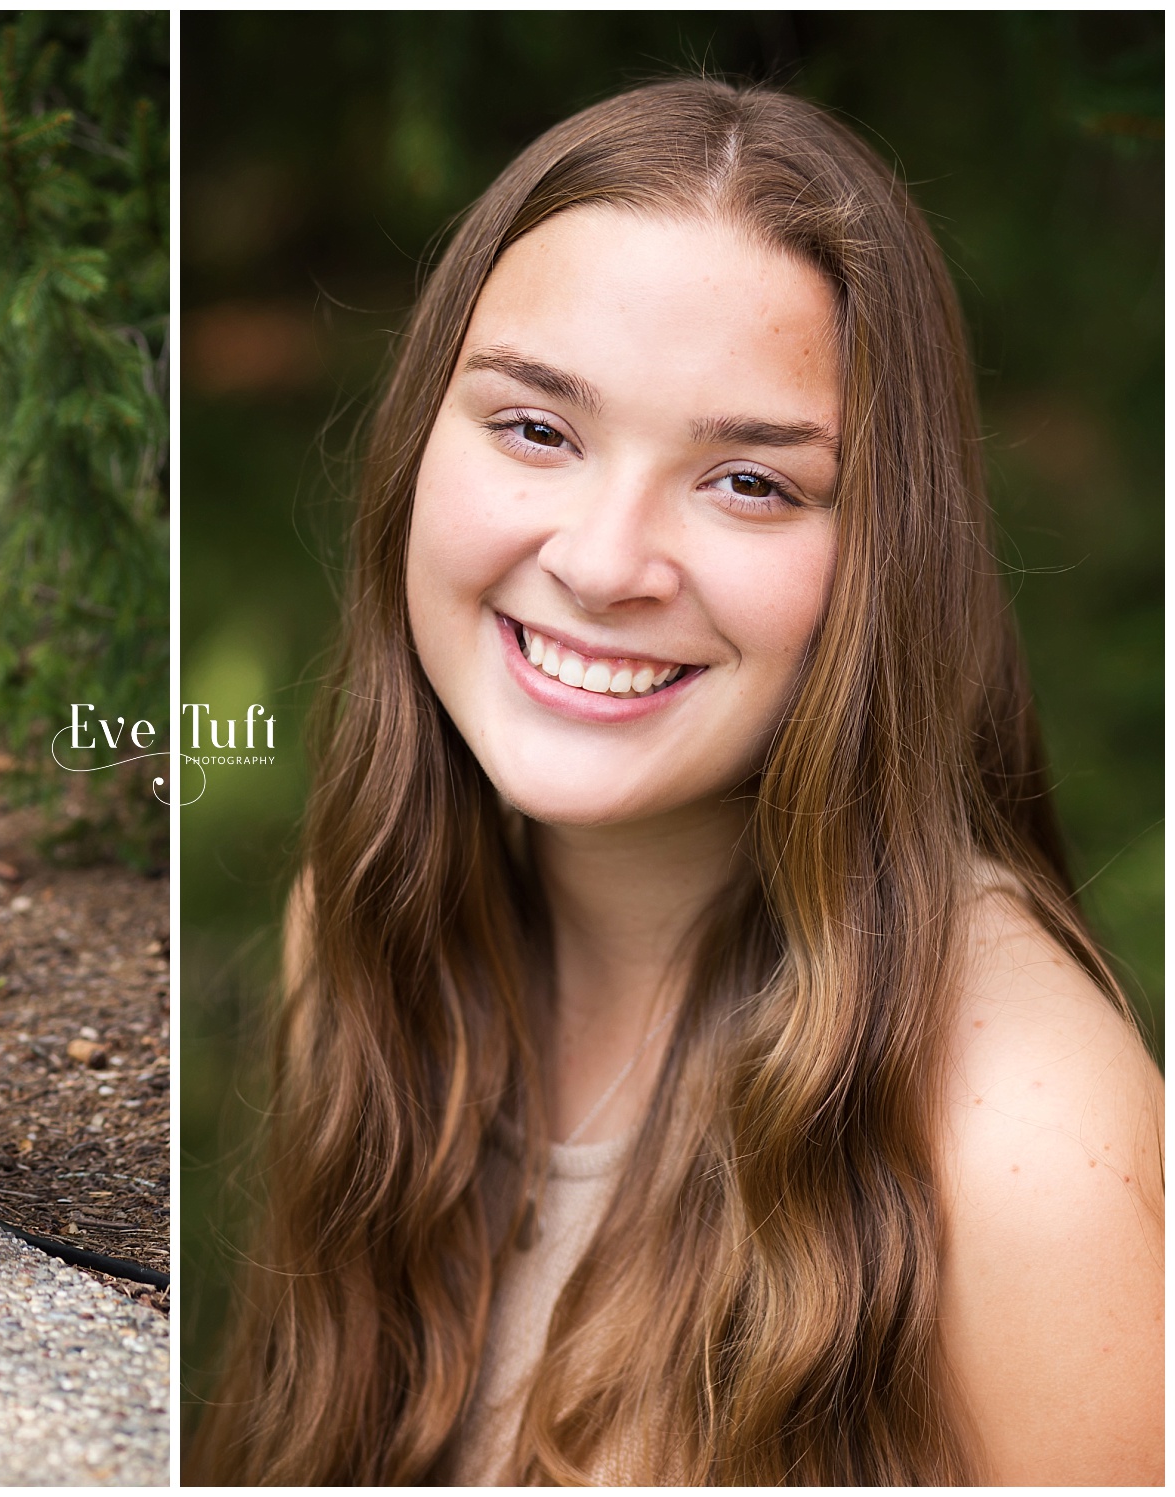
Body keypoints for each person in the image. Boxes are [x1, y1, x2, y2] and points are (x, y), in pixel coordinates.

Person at [193, 79, 1162, 1484]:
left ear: (887, 557)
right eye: (536, 429)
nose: (601, 560)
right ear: (416, 445)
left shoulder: (1026, 1148)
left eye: (750, 483)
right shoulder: (363, 929)